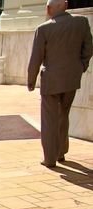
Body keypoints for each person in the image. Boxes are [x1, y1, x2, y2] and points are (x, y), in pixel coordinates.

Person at [27, 0, 92, 168]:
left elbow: (36, 58)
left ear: (48, 9)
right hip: (72, 78)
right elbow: (88, 48)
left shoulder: (44, 29)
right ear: (66, 5)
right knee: (64, 114)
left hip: (51, 79)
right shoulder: (82, 22)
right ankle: (60, 152)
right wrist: (82, 66)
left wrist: (31, 80)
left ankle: (50, 157)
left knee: (49, 119)